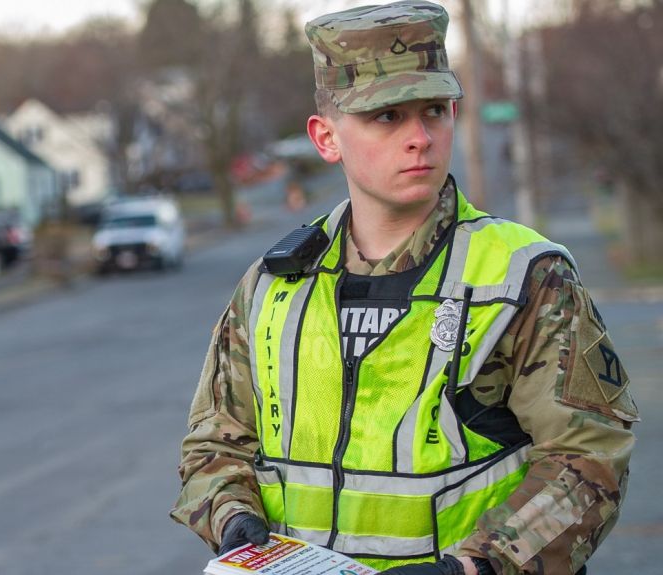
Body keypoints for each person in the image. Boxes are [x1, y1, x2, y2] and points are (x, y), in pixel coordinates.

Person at [170, 2, 638, 574]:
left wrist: (476, 566)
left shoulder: (525, 276)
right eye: (386, 116)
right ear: (326, 138)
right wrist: (232, 517)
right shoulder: (273, 284)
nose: (419, 137)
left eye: (435, 110)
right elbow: (215, 444)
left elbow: (587, 458)